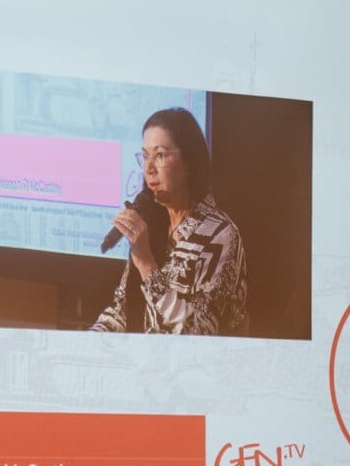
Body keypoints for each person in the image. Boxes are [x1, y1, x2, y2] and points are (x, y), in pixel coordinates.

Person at [91, 107, 249, 336]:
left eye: (161, 155)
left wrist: (146, 263)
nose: (149, 168)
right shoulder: (151, 221)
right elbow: (120, 313)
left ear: (188, 163)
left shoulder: (221, 234)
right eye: (145, 156)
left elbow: (197, 333)